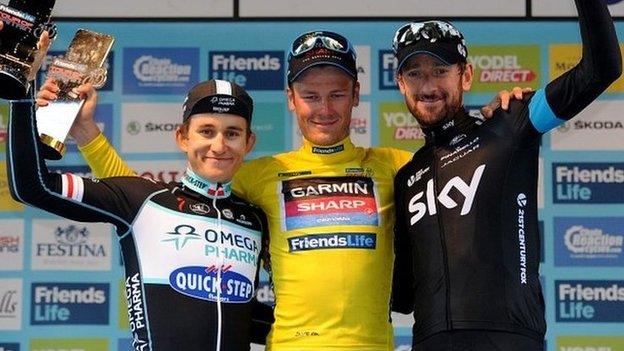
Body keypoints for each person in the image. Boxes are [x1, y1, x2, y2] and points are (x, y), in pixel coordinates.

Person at [38, 30, 524, 350]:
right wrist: (87, 136)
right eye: (310, 96)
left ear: (356, 94)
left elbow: (470, 166)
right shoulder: (258, 173)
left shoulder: (398, 167)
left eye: (337, 94)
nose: (324, 108)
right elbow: (154, 203)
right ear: (290, 100)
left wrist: (496, 120)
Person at [391, 0, 622, 350]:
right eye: (415, 73)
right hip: (430, 341)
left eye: (440, 71)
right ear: (401, 84)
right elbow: (403, 297)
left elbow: (600, 69)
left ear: (465, 75)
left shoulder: (512, 123)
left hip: (507, 338)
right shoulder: (407, 177)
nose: (428, 86)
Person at [6, 79, 273, 351]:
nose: (218, 146)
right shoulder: (144, 200)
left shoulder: (255, 219)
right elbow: (31, 187)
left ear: (248, 142)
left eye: (232, 133)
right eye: (206, 131)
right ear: (182, 137)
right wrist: (22, 96)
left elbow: (244, 315)